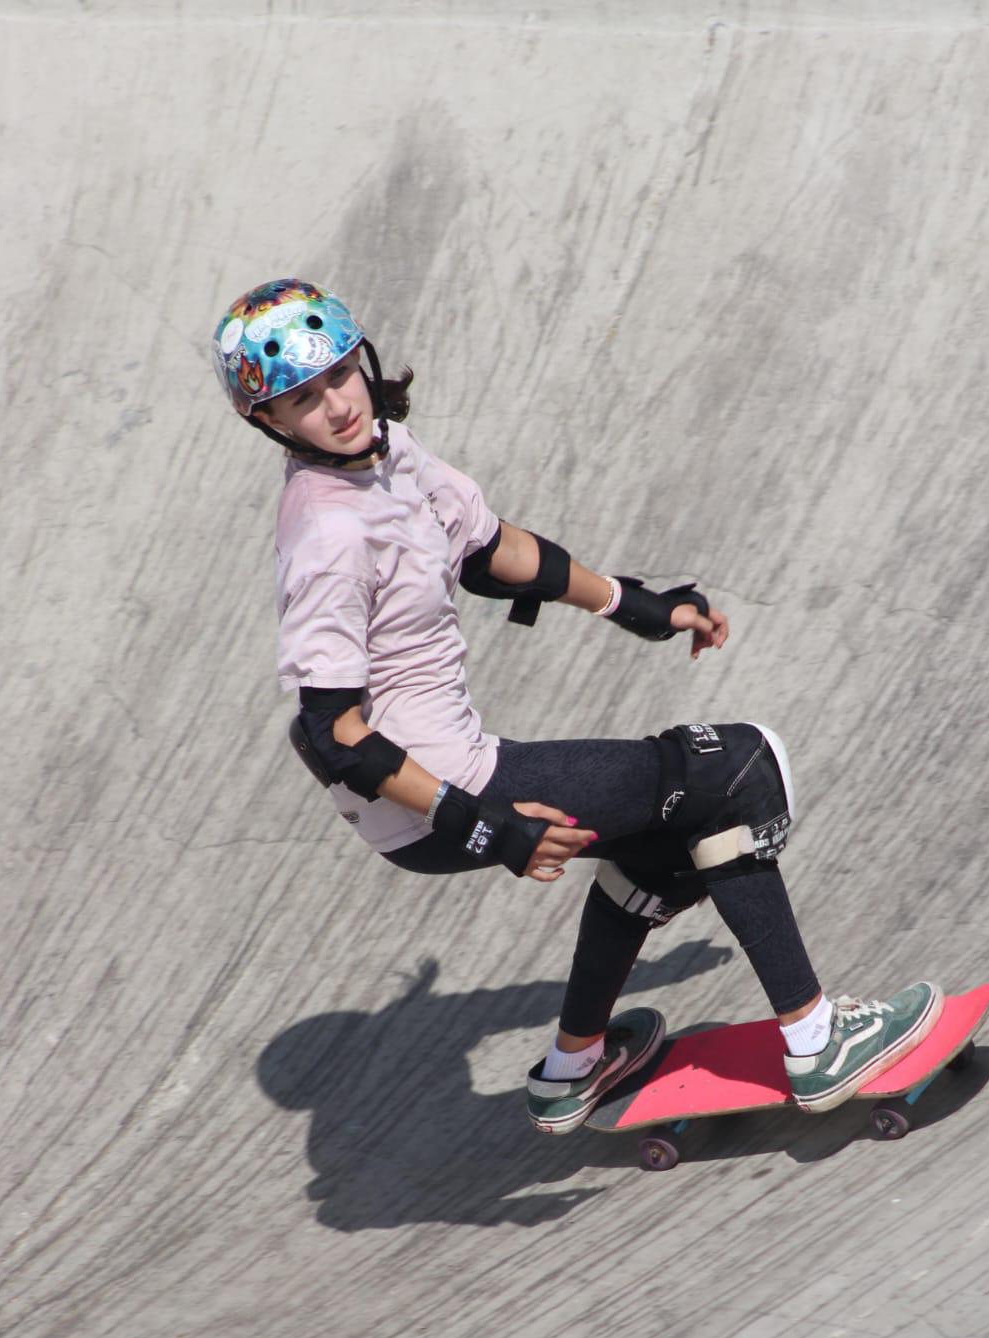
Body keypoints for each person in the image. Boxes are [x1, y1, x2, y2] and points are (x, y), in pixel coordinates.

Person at [211, 279, 943, 1133]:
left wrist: (630, 605)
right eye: (302, 399)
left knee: (668, 837)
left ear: (362, 360)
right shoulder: (328, 533)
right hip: (433, 793)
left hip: (453, 771)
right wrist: (486, 828)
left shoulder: (387, 454)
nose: (335, 404)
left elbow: (488, 551)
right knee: (733, 772)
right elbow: (334, 733)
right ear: (268, 422)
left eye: (340, 374)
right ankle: (818, 1043)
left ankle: (575, 1065)